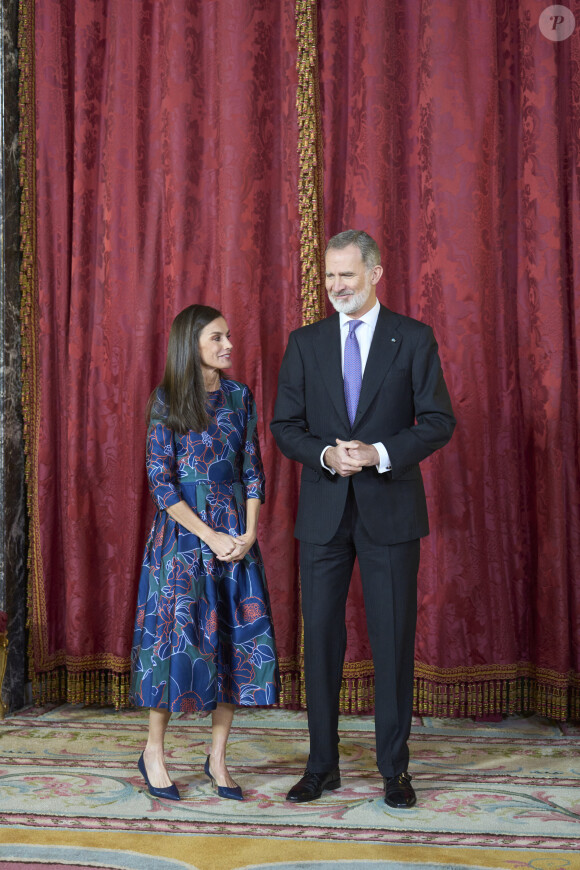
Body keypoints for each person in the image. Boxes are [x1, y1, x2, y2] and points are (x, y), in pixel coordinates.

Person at [270, 230, 455, 808]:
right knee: (320, 642)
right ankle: (322, 766)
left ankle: (394, 771)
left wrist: (378, 453)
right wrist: (327, 455)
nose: (336, 287)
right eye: (329, 277)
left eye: (346, 275)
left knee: (393, 643)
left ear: (375, 273)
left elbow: (437, 421)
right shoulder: (305, 343)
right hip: (323, 515)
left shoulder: (414, 339)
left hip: (391, 513)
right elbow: (285, 427)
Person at [130, 304, 278, 802]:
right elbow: (161, 484)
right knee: (175, 645)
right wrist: (208, 536)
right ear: (190, 344)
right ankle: (154, 751)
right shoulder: (166, 400)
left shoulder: (240, 396)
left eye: (229, 336)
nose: (228, 345)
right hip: (183, 541)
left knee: (235, 644)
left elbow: (254, 469)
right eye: (217, 338)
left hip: (236, 537)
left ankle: (217, 758)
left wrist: (250, 532)